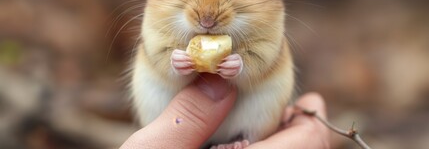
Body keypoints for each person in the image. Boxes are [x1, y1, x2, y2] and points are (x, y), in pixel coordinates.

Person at [120, 74, 330, 149]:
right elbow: (159, 62)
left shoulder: (267, 21)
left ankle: (245, 138)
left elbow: (263, 63)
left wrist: (241, 67)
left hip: (248, 128)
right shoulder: (159, 17)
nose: (208, 19)